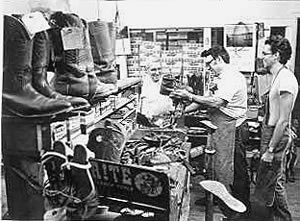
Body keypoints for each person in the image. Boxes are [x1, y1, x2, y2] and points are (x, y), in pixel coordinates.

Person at [170, 45, 249, 220]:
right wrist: (183, 111)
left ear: (219, 60)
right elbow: (204, 101)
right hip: (220, 126)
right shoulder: (219, 77)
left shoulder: (232, 77)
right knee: (215, 165)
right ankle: (214, 198)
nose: (208, 68)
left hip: (233, 128)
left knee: (236, 171)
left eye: (210, 64)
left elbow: (215, 102)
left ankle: (241, 211)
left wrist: (189, 96)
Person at [254, 35, 298, 221]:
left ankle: (284, 218)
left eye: (265, 54)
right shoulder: (278, 76)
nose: (262, 57)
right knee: (270, 182)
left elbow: (282, 121)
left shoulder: (286, 80)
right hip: (271, 132)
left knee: (273, 183)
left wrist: (271, 149)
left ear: (276, 56)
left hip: (275, 135)